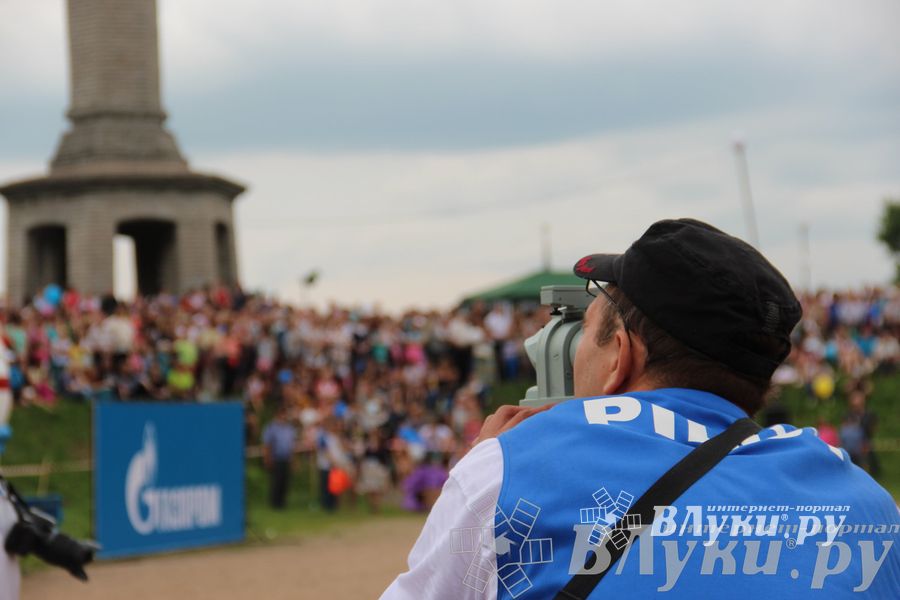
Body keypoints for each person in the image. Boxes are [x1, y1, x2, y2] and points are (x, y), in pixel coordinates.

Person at [381, 219, 900, 599]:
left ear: (620, 356)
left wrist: (487, 467)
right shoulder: (868, 506)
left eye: (586, 331)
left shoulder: (513, 470)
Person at [261, 406, 297, 509]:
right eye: (282, 414)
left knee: (285, 482)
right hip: (276, 458)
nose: (284, 417)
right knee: (276, 482)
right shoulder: (271, 428)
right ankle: (274, 503)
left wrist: (293, 460)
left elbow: (291, 445)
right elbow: (267, 445)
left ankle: (282, 502)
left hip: (286, 458)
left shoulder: (289, 429)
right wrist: (267, 458)